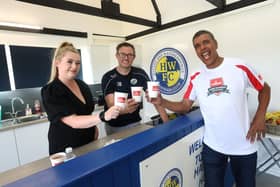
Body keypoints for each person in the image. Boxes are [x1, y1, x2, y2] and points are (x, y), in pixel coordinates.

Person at [148, 30, 271, 187]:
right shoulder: (196, 76)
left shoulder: (240, 66)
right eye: (197, 46)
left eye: (206, 42)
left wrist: (260, 116)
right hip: (213, 146)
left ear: (215, 43)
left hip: (243, 145)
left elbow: (264, 88)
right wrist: (162, 101)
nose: (202, 48)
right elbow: (185, 106)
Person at [41, 42, 120, 155]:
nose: (74, 67)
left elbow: (87, 113)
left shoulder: (82, 85)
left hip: (88, 143)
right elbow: (73, 122)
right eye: (70, 62)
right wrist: (103, 116)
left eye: (78, 63)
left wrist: (94, 130)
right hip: (66, 149)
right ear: (57, 63)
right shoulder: (51, 90)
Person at [101, 42, 168, 135]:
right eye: (122, 54)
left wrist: (167, 124)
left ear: (134, 57)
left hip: (135, 123)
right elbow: (111, 105)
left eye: (130, 55)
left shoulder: (140, 73)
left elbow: (155, 98)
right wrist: (125, 109)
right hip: (115, 127)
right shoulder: (108, 77)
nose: (126, 58)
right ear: (117, 55)